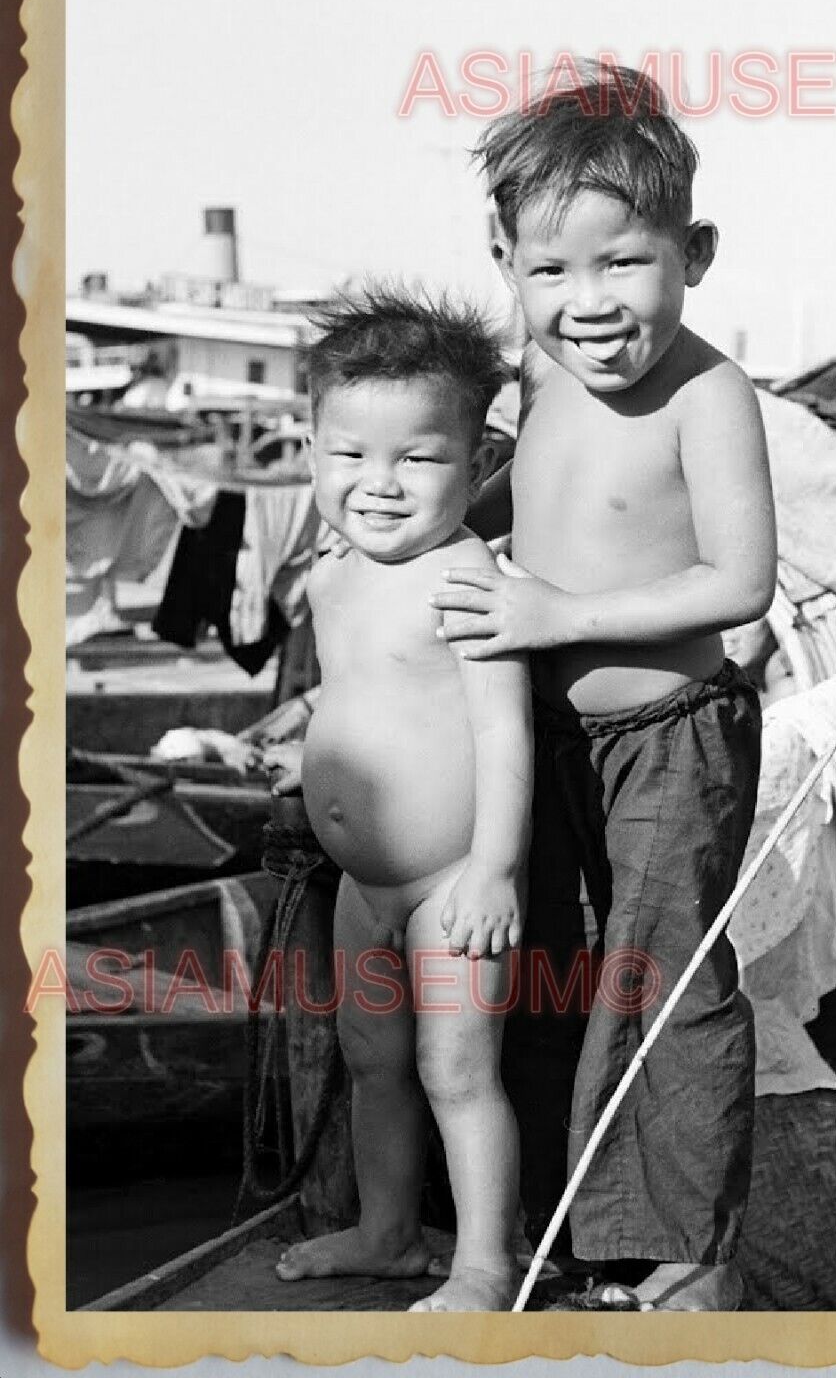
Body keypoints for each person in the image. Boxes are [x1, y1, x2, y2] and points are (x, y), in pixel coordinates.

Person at [433, 61, 778, 1310]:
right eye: (549, 271)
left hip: (670, 739)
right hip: (543, 735)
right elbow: (520, 503)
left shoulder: (708, 392)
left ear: (695, 250)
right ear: (502, 259)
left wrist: (562, 613)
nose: (585, 303)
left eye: (623, 262)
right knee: (544, 969)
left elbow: (741, 580)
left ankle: (681, 1262)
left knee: (663, 981)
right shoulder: (538, 380)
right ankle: (549, 1235)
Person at [268, 286, 533, 1312]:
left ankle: (481, 1264)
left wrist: (495, 868)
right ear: (312, 445)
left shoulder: (464, 576)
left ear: (478, 462)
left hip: (447, 883)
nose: (378, 485)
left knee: (458, 1070)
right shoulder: (334, 570)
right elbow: (354, 695)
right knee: (372, 1059)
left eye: (417, 459)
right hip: (361, 885)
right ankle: (386, 1230)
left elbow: (499, 729)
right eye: (350, 455)